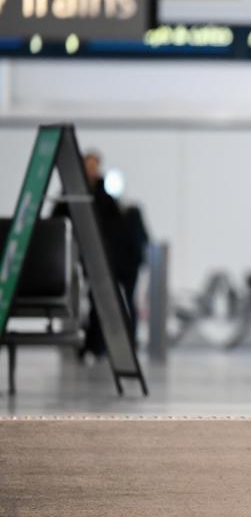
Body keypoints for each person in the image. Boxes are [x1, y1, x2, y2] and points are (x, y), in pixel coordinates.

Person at [54, 150, 142, 361]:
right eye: (88, 165)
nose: (91, 170)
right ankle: (81, 344)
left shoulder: (105, 199)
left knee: (99, 304)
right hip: (74, 259)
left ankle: (96, 345)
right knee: (77, 304)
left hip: (99, 260)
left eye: (94, 166)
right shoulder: (70, 193)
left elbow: (115, 231)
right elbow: (57, 220)